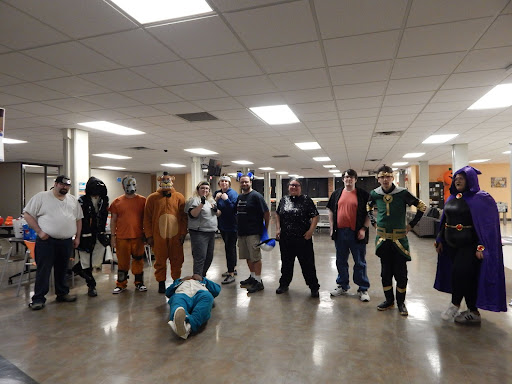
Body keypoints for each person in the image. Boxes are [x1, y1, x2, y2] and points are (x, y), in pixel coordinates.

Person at [434, 166, 507, 324]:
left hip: (469, 246)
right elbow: (444, 221)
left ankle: (455, 304)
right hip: (451, 245)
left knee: (459, 274)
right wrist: (440, 239)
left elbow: (487, 227)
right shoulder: (451, 198)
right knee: (467, 278)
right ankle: (472, 311)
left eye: (462, 177)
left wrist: (481, 247)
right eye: (456, 177)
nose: (457, 180)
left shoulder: (481, 199)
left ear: (471, 180)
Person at [367, 165, 426, 316]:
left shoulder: (403, 193)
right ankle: (389, 300)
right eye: (382, 177)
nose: (385, 179)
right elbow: (368, 207)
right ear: (378, 179)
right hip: (383, 240)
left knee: (401, 274)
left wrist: (411, 225)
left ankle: (401, 302)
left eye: (388, 176)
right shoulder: (375, 193)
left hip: (400, 240)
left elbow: (422, 207)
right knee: (385, 273)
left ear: (392, 178)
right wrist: (373, 222)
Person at [24, 175, 83, 310]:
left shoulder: (73, 200)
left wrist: (77, 237)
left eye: (67, 185)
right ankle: (38, 299)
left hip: (66, 241)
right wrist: (39, 231)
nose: (65, 187)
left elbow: (79, 219)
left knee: (62, 269)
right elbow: (27, 214)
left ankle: (62, 293)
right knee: (44, 270)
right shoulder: (42, 197)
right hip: (47, 241)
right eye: (62, 184)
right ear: (55, 184)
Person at [327, 169, 371, 302]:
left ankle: (363, 288)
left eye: (351, 177)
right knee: (341, 261)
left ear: (355, 179)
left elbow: (369, 213)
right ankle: (342, 285)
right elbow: (330, 210)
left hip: (356, 233)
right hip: (340, 232)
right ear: (343, 179)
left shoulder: (363, 194)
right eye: (346, 177)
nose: (349, 179)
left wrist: (364, 229)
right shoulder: (337, 194)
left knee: (359, 262)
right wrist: (332, 227)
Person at [275, 178, 320, 297]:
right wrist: (278, 228)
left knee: (308, 264)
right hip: (286, 239)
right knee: (286, 263)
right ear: (288, 187)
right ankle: (284, 284)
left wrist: (310, 231)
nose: (294, 187)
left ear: (300, 187)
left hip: (303, 239)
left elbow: (315, 216)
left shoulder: (306, 200)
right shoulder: (284, 200)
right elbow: (278, 214)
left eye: (296, 185)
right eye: (291, 185)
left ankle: (313, 287)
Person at [144, 172, 187, 293]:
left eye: (168, 180)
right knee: (160, 260)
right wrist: (149, 235)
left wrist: (183, 233)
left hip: (176, 235)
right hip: (158, 236)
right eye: (164, 180)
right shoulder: (152, 198)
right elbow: (147, 218)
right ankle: (161, 282)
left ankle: (176, 282)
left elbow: (184, 217)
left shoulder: (179, 197)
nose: (166, 182)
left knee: (177, 260)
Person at [109, 175, 147, 294]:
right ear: (123, 186)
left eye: (133, 184)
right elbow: (113, 220)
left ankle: (139, 283)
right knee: (122, 262)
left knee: (138, 260)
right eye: (128, 184)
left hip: (138, 236)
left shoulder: (143, 201)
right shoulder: (117, 202)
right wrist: (112, 236)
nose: (131, 187)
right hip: (122, 237)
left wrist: (147, 234)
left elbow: (147, 219)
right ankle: (121, 284)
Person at [73, 176, 109, 297]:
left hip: (99, 235)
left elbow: (103, 216)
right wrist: (79, 235)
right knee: (85, 260)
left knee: (96, 261)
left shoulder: (104, 200)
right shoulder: (82, 201)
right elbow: (79, 219)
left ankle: (77, 269)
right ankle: (91, 285)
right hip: (85, 235)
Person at [237, 175, 270, 293]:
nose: (244, 184)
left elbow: (266, 213)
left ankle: (258, 281)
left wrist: (265, 230)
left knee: (255, 257)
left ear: (250, 182)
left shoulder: (256, 196)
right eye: (242, 182)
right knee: (247, 256)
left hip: (253, 232)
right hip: (242, 233)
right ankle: (252, 277)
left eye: (246, 182)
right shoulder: (240, 196)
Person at [166, 274, 221, 340]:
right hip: (182, 293)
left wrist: (202, 279)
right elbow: (168, 293)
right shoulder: (180, 282)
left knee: (208, 298)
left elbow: (217, 290)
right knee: (177, 303)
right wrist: (180, 280)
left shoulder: (202, 282)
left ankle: (186, 326)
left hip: (201, 293)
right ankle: (184, 324)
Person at [185, 181, 221, 277]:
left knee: (209, 257)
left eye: (207, 188)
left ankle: (201, 276)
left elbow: (218, 214)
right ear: (198, 189)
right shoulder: (194, 200)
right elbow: (193, 215)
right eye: (202, 188)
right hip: (199, 232)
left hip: (211, 232)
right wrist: (201, 204)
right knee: (200, 257)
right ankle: (197, 280)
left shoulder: (211, 200)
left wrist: (216, 210)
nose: (205, 190)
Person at [214, 175, 238, 284]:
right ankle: (233, 268)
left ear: (229, 183)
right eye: (222, 181)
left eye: (226, 181)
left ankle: (231, 273)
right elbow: (214, 207)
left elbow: (233, 209)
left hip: (232, 226)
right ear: (219, 183)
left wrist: (226, 200)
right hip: (222, 225)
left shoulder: (232, 194)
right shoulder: (217, 193)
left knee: (230, 248)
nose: (224, 183)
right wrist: (216, 199)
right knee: (229, 247)